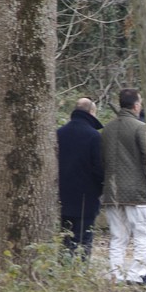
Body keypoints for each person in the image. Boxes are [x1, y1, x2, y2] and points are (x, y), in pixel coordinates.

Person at [101, 88, 146, 284]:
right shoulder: (140, 128)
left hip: (111, 193)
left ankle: (115, 276)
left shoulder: (106, 129)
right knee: (145, 237)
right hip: (137, 193)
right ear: (136, 105)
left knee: (118, 238)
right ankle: (135, 277)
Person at [57, 97, 104, 259]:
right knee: (83, 242)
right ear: (92, 112)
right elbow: (99, 169)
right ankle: (80, 272)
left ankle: (64, 272)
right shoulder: (94, 136)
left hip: (62, 197)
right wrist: (100, 189)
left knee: (65, 240)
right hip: (87, 199)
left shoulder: (59, 133)